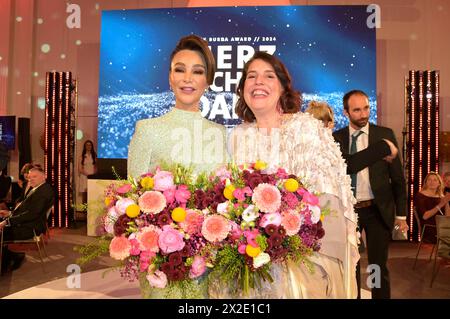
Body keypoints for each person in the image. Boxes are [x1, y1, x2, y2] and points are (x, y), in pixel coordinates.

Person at [225, 51, 359, 298]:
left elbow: (327, 197)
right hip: (252, 260)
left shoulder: (304, 127)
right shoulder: (237, 136)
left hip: (303, 259)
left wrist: (288, 246)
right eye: (251, 77)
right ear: (243, 88)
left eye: (268, 76)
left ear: (283, 87)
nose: (258, 82)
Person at [333, 89, 408, 299]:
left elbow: (398, 180)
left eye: (366, 107)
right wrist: (381, 150)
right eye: (357, 110)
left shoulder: (385, 134)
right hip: (348, 213)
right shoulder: (336, 138)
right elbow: (348, 166)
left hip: (377, 210)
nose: (364, 114)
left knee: (377, 266)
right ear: (346, 112)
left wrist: (401, 215)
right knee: (352, 265)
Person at [127, 35, 227, 178]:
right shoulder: (147, 130)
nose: (187, 79)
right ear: (170, 77)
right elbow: (133, 194)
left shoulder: (220, 133)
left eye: (197, 71)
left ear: (208, 81)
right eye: (180, 70)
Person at [305, 100, 399, 172]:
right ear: (330, 124)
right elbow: (349, 164)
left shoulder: (302, 145)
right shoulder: (326, 145)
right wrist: (385, 145)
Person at [0, 164, 54, 273]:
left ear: (43, 177)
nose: (31, 179)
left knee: (1, 231)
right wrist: (10, 213)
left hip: (30, 227)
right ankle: (12, 256)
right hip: (27, 222)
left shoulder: (44, 191)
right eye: (29, 177)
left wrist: (8, 221)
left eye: (34, 177)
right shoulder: (38, 188)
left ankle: (5, 262)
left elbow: (31, 214)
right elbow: (26, 209)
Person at [414, 172, 450, 243]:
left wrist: (446, 202)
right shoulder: (420, 195)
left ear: (439, 183)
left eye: (435, 180)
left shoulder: (441, 196)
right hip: (430, 228)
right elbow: (425, 216)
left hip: (442, 227)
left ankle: (444, 253)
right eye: (429, 180)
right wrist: (441, 204)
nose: (432, 182)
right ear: (426, 182)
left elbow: (448, 216)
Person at [79, 140, 97, 204]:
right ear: (85, 146)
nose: (88, 146)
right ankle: (84, 210)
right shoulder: (82, 156)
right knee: (85, 194)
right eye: (87, 145)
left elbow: (96, 167)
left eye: (90, 145)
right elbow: (80, 169)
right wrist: (88, 174)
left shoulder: (94, 156)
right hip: (84, 177)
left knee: (92, 193)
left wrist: (93, 175)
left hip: (92, 177)